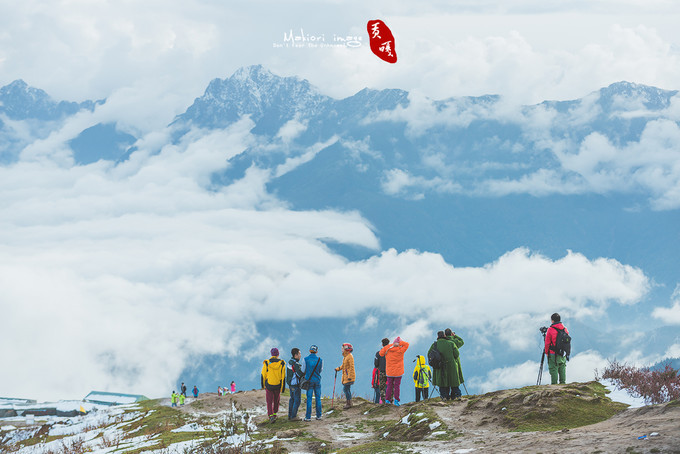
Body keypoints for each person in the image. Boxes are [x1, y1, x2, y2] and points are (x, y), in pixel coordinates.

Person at [429, 330, 463, 400]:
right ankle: (458, 395)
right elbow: (456, 354)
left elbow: (429, 354)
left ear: (438, 336)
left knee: (442, 382)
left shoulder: (434, 345)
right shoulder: (451, 343)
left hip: (440, 366)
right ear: (444, 336)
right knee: (453, 381)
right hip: (451, 365)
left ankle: (444, 396)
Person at [379, 336, 409, 406]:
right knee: (396, 386)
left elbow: (381, 353)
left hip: (389, 371)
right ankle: (396, 401)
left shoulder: (388, 348)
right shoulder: (401, 349)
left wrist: (392, 345)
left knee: (389, 386)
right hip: (398, 372)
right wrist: (399, 343)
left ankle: (387, 400)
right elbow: (407, 344)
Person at [261, 348, 286, 423]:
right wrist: (283, 388)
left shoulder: (266, 363)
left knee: (269, 401)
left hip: (269, 385)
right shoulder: (282, 363)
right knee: (276, 400)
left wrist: (263, 386)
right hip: (277, 385)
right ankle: (275, 414)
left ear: (271, 354)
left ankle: (270, 415)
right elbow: (283, 376)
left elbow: (263, 375)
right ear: (278, 354)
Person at [545, 313, 569, 384]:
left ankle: (554, 386)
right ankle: (563, 384)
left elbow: (547, 343)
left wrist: (547, 353)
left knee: (553, 369)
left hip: (553, 353)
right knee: (562, 368)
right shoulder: (565, 329)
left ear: (552, 321)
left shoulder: (550, 330)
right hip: (563, 353)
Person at [301, 344, 323, 421]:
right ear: (316, 351)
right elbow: (320, 370)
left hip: (309, 381)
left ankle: (308, 417)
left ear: (310, 351)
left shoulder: (305, 359)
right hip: (317, 380)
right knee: (318, 398)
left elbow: (303, 370)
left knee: (309, 399)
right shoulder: (320, 360)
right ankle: (319, 415)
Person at [335, 343, 356, 409]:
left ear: (346, 349)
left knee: (345, 389)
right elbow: (344, 366)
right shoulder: (346, 356)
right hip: (346, 376)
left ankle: (348, 403)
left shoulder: (350, 356)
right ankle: (349, 402)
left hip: (348, 377)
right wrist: (338, 369)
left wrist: (349, 376)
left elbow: (351, 367)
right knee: (347, 389)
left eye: (342, 348)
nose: (342, 350)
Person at [445, 328, 465, 398]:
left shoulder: (444, 341)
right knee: (454, 379)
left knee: (447, 379)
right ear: (451, 333)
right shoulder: (454, 341)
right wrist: (455, 336)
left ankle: (447, 396)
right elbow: (462, 341)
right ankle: (455, 395)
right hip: (455, 362)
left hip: (445, 363)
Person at [287, 347, 304, 421]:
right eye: (299, 353)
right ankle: (293, 416)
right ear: (296, 355)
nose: (300, 355)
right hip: (295, 384)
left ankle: (290, 415)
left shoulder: (289, 362)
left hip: (290, 384)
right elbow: (300, 374)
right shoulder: (296, 364)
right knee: (297, 400)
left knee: (292, 399)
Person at [374, 338, 389, 403]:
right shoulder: (391, 352)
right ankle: (389, 401)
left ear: (382, 344)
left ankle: (383, 401)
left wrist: (378, 367)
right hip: (390, 372)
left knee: (382, 387)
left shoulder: (378, 353)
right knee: (389, 386)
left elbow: (376, 363)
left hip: (382, 371)